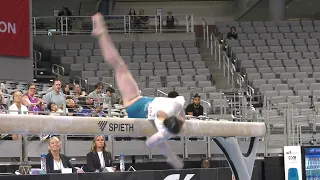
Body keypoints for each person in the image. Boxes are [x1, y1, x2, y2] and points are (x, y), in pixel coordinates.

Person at [91, 13, 185, 169]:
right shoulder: (171, 113)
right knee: (120, 66)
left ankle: (102, 34)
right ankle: (101, 33)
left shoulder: (166, 124)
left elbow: (151, 143)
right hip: (141, 101)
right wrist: (182, 120)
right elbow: (153, 143)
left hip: (134, 107)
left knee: (120, 66)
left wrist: (180, 122)